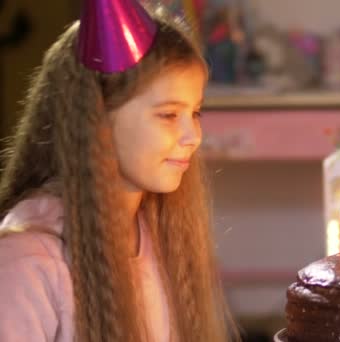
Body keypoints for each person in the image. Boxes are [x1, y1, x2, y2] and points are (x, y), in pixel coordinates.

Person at [0, 0, 237, 341]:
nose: (194, 137)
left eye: (195, 113)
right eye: (169, 115)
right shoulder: (26, 264)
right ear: (97, 120)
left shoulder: (154, 235)